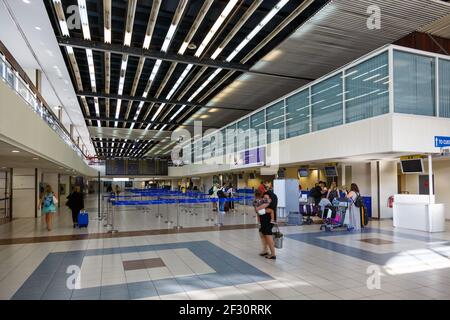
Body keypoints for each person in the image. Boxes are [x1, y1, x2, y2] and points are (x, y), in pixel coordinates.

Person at [255, 192, 277, 259]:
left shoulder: (269, 205)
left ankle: (273, 254)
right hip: (263, 221)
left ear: (271, 199)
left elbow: (257, 209)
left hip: (268, 222)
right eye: (264, 198)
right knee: (262, 234)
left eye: (266, 198)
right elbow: (257, 211)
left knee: (268, 236)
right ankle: (265, 250)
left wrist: (258, 207)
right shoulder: (263, 203)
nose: (264, 199)